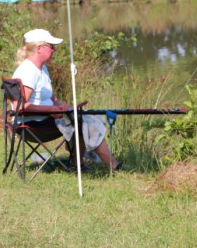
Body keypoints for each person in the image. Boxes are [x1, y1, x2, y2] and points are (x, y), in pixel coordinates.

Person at [11, 28, 121, 171]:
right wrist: (52, 110)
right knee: (84, 122)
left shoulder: (41, 68)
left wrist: (62, 106)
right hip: (32, 125)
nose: (54, 50)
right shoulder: (28, 72)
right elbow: (20, 107)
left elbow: (52, 98)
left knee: (85, 116)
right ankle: (112, 165)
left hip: (45, 119)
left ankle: (79, 164)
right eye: (52, 47)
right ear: (39, 48)